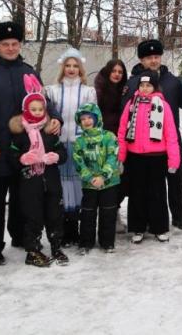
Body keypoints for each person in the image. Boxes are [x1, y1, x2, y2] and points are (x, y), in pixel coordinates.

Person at [0, 21, 62, 266]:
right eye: (5, 44)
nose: (10, 48)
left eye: (14, 43)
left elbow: (41, 100)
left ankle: (22, 237)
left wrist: (56, 119)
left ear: (20, 44)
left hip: (27, 148)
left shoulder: (28, 71)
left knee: (25, 196)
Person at [122, 39, 182, 231]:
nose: (153, 60)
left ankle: (178, 216)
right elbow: (125, 111)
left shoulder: (172, 81)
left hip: (171, 141)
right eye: (149, 58)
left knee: (175, 181)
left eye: (156, 56)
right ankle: (148, 220)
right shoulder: (134, 83)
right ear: (141, 60)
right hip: (144, 146)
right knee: (149, 186)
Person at [9, 75, 68, 267]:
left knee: (54, 214)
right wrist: (22, 159)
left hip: (51, 181)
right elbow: (11, 156)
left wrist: (56, 156)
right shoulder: (20, 135)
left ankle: (56, 246)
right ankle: (32, 250)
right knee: (33, 216)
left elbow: (62, 152)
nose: (37, 112)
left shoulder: (50, 131)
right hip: (30, 183)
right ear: (26, 110)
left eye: (40, 109)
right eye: (33, 109)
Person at [118, 71, 180, 244]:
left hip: (157, 157)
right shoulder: (131, 105)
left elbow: (171, 134)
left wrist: (173, 160)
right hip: (135, 156)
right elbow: (123, 131)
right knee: (137, 193)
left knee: (157, 193)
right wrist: (121, 157)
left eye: (148, 85)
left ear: (154, 87)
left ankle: (159, 227)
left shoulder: (163, 105)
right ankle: (138, 227)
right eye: (142, 85)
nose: (145, 89)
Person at [44, 48, 96, 246]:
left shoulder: (88, 92)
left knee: (79, 187)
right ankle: (63, 230)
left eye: (75, 66)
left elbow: (93, 119)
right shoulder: (52, 91)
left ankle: (78, 230)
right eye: (68, 65)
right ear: (62, 67)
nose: (71, 69)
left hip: (80, 146)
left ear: (80, 69)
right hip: (58, 147)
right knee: (60, 188)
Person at [72, 103, 120, 254]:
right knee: (87, 213)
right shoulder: (79, 142)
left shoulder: (109, 137)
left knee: (108, 213)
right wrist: (91, 178)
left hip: (110, 183)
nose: (86, 121)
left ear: (97, 118)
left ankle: (107, 242)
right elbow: (78, 162)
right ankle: (86, 242)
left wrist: (103, 176)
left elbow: (113, 158)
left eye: (89, 117)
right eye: (83, 119)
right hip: (89, 185)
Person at [94, 59, 129, 230]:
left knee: (120, 179)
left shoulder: (125, 91)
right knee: (105, 179)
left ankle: (114, 212)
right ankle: (106, 216)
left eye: (120, 72)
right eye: (114, 71)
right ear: (108, 72)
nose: (116, 74)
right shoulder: (99, 89)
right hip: (103, 139)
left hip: (120, 139)